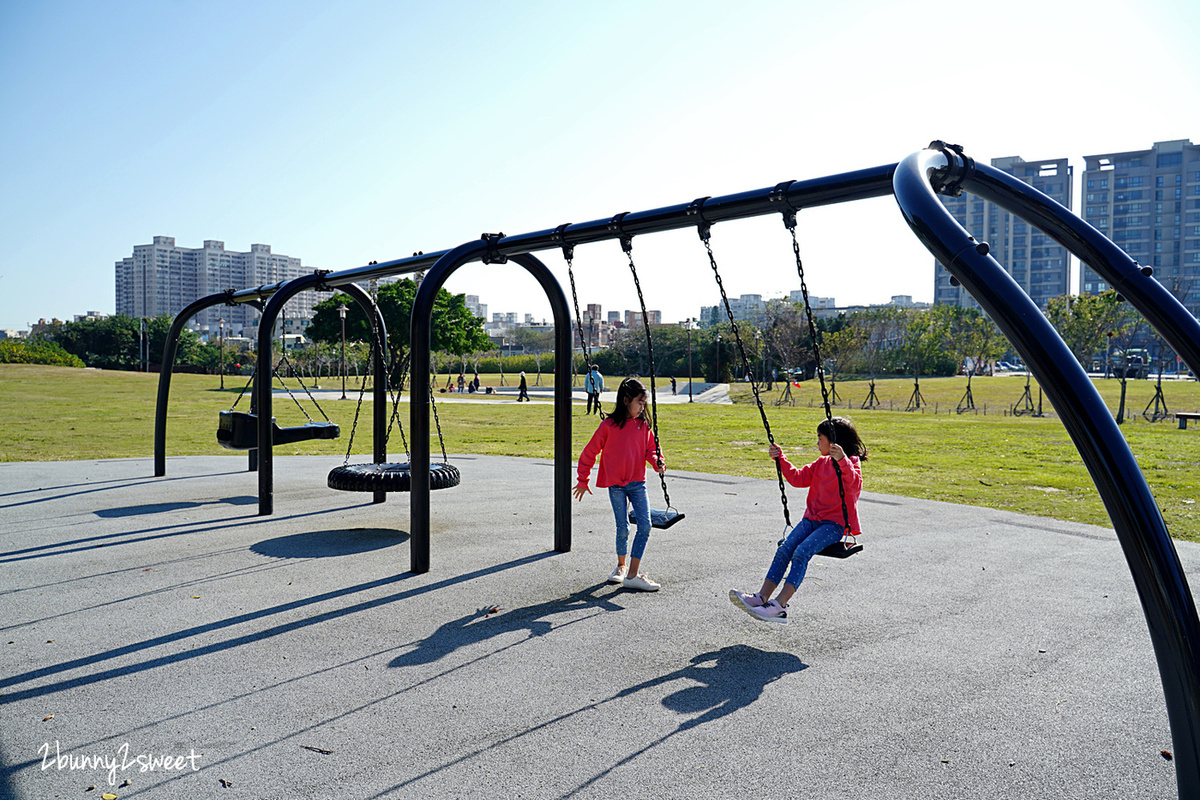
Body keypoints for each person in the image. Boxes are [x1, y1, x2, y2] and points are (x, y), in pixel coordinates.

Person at [730, 416, 867, 623]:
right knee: (785, 548)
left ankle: (779, 606)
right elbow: (797, 478)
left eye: (820, 438)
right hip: (811, 519)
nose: (817, 443)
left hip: (835, 525)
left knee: (802, 552)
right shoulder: (821, 463)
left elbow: (855, 486)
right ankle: (761, 597)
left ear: (833, 441)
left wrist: (843, 461)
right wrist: (781, 459)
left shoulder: (850, 463)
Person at [573, 378, 666, 592]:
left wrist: (657, 462)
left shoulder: (643, 425)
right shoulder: (609, 426)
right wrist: (582, 480)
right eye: (639, 403)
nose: (642, 407)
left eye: (644, 404)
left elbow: (651, 449)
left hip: (637, 483)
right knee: (622, 527)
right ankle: (621, 567)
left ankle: (633, 574)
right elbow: (589, 453)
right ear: (626, 400)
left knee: (645, 525)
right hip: (616, 485)